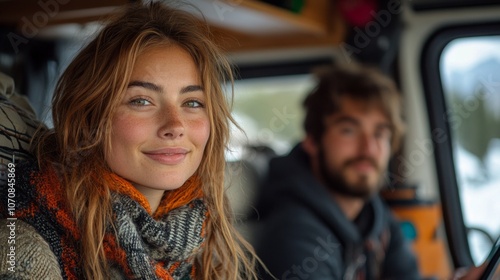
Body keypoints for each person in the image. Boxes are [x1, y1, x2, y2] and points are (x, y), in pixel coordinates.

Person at [0, 2, 259, 279]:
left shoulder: (205, 244)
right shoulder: (25, 251)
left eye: (192, 102)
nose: (175, 126)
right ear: (89, 119)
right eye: (141, 101)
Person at [254, 63, 420, 279]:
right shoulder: (294, 235)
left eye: (380, 134)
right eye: (349, 130)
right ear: (313, 141)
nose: (368, 148)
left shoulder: (375, 218)